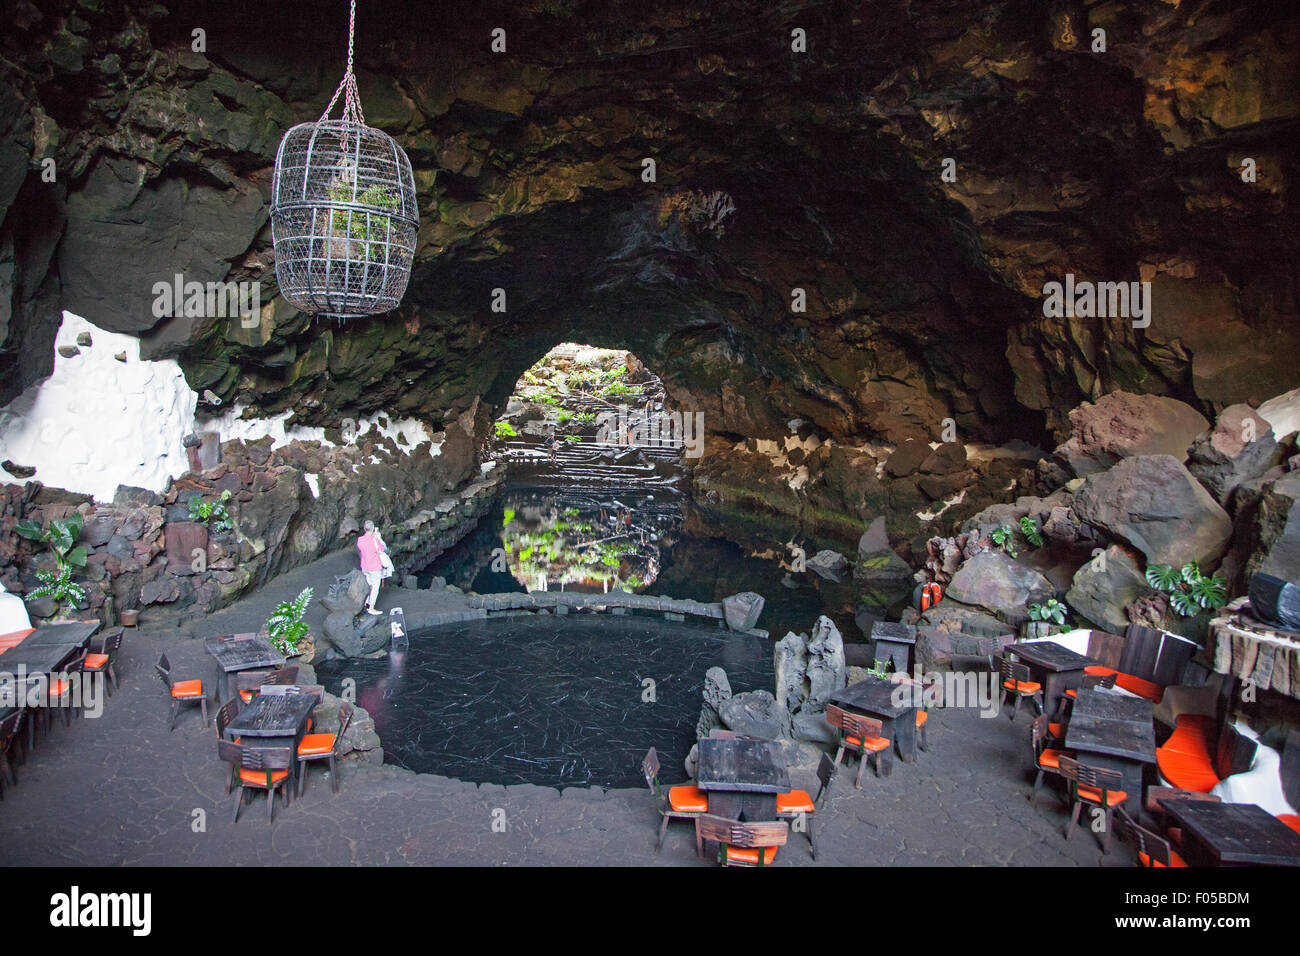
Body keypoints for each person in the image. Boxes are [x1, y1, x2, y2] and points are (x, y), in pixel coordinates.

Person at [357, 519, 387, 615]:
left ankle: (365, 604)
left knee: (368, 585)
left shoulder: (360, 540)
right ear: (373, 528)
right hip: (374, 567)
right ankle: (371, 608)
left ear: (364, 528)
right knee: (374, 587)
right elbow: (383, 549)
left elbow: (361, 548)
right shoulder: (374, 540)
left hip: (365, 566)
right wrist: (379, 538)